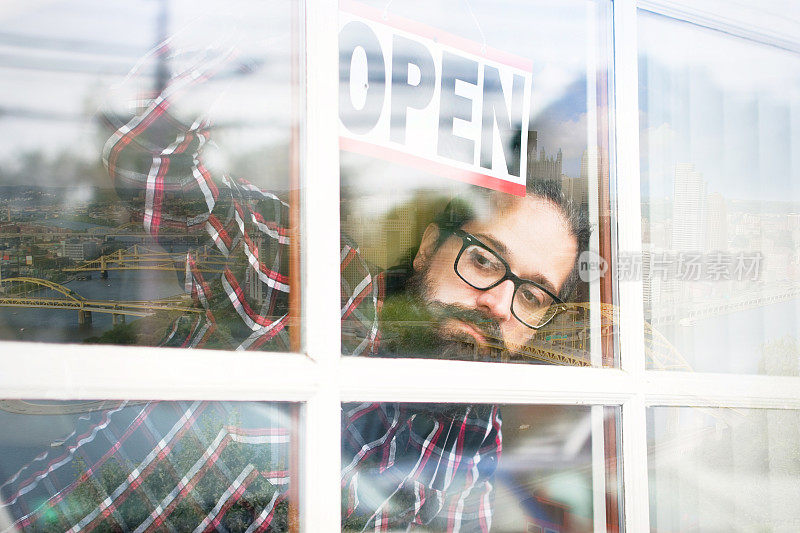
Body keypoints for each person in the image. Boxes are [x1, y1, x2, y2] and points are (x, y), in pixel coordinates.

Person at [0, 45, 589, 532]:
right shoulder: (313, 289)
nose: (497, 304)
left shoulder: (470, 426)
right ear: (429, 246)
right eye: (485, 261)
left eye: (532, 296)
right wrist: (266, 28)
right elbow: (144, 149)